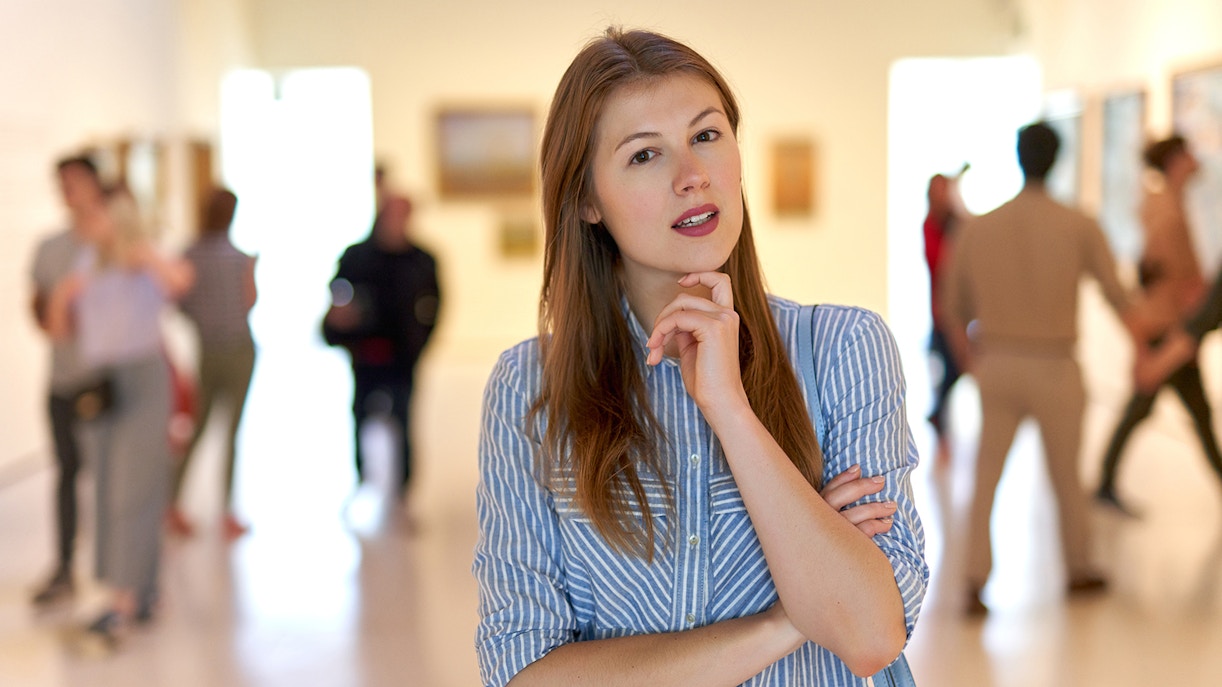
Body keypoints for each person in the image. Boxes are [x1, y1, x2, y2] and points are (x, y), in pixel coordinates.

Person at [472, 28, 927, 686]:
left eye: (707, 136)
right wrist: (788, 617)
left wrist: (730, 408)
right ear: (586, 199)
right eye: (644, 155)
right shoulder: (529, 387)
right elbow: (524, 671)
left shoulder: (843, 349)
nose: (693, 177)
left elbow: (870, 635)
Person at [940, 122, 1143, 615]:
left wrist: (971, 359)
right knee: (1067, 476)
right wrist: (1147, 344)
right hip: (1056, 363)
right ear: (1057, 160)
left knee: (987, 474)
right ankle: (1077, 568)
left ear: (1018, 156)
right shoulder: (1077, 223)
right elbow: (1118, 297)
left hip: (1000, 361)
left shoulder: (980, 228)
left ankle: (973, 579)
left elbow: (949, 304)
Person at [43, 184, 194, 644]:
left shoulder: (142, 257)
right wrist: (62, 296)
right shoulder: (86, 264)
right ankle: (137, 589)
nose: (84, 222)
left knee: (136, 486)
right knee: (108, 488)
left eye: (95, 214)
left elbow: (180, 281)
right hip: (101, 384)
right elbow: (59, 328)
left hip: (143, 381)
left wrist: (143, 256)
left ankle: (126, 598)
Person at [1095, 135, 1222, 516]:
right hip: (1167, 324)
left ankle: (1105, 479)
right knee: (1149, 404)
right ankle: (1105, 480)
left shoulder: (1168, 203)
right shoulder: (1165, 207)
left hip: (1173, 322)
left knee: (1172, 408)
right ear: (1175, 160)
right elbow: (1154, 267)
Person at [27, 154, 109, 607]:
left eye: (75, 181)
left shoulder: (112, 243)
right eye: (62, 182)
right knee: (67, 472)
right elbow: (39, 308)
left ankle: (120, 572)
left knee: (111, 477)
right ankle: (64, 565)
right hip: (63, 378)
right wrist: (57, 311)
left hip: (106, 380)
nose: (68, 190)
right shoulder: (50, 247)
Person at [323, 194, 440, 500]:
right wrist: (344, 316)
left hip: (403, 354)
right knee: (359, 415)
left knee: (403, 418)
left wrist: (421, 342)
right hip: (365, 353)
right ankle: (362, 480)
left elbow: (434, 303)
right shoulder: (358, 256)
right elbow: (337, 291)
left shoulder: (421, 259)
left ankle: (402, 491)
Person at [168, 187, 258, 538]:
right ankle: (225, 513)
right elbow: (248, 302)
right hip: (237, 349)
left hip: (208, 349)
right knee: (229, 431)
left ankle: (173, 504)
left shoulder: (188, 255)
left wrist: (204, 322)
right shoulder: (237, 259)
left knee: (198, 428)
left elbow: (181, 304)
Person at [922, 169, 968, 464]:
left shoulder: (957, 223)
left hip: (960, 314)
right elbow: (943, 262)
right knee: (952, 369)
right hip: (941, 314)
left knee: (954, 370)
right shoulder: (931, 227)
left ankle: (937, 416)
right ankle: (938, 419)